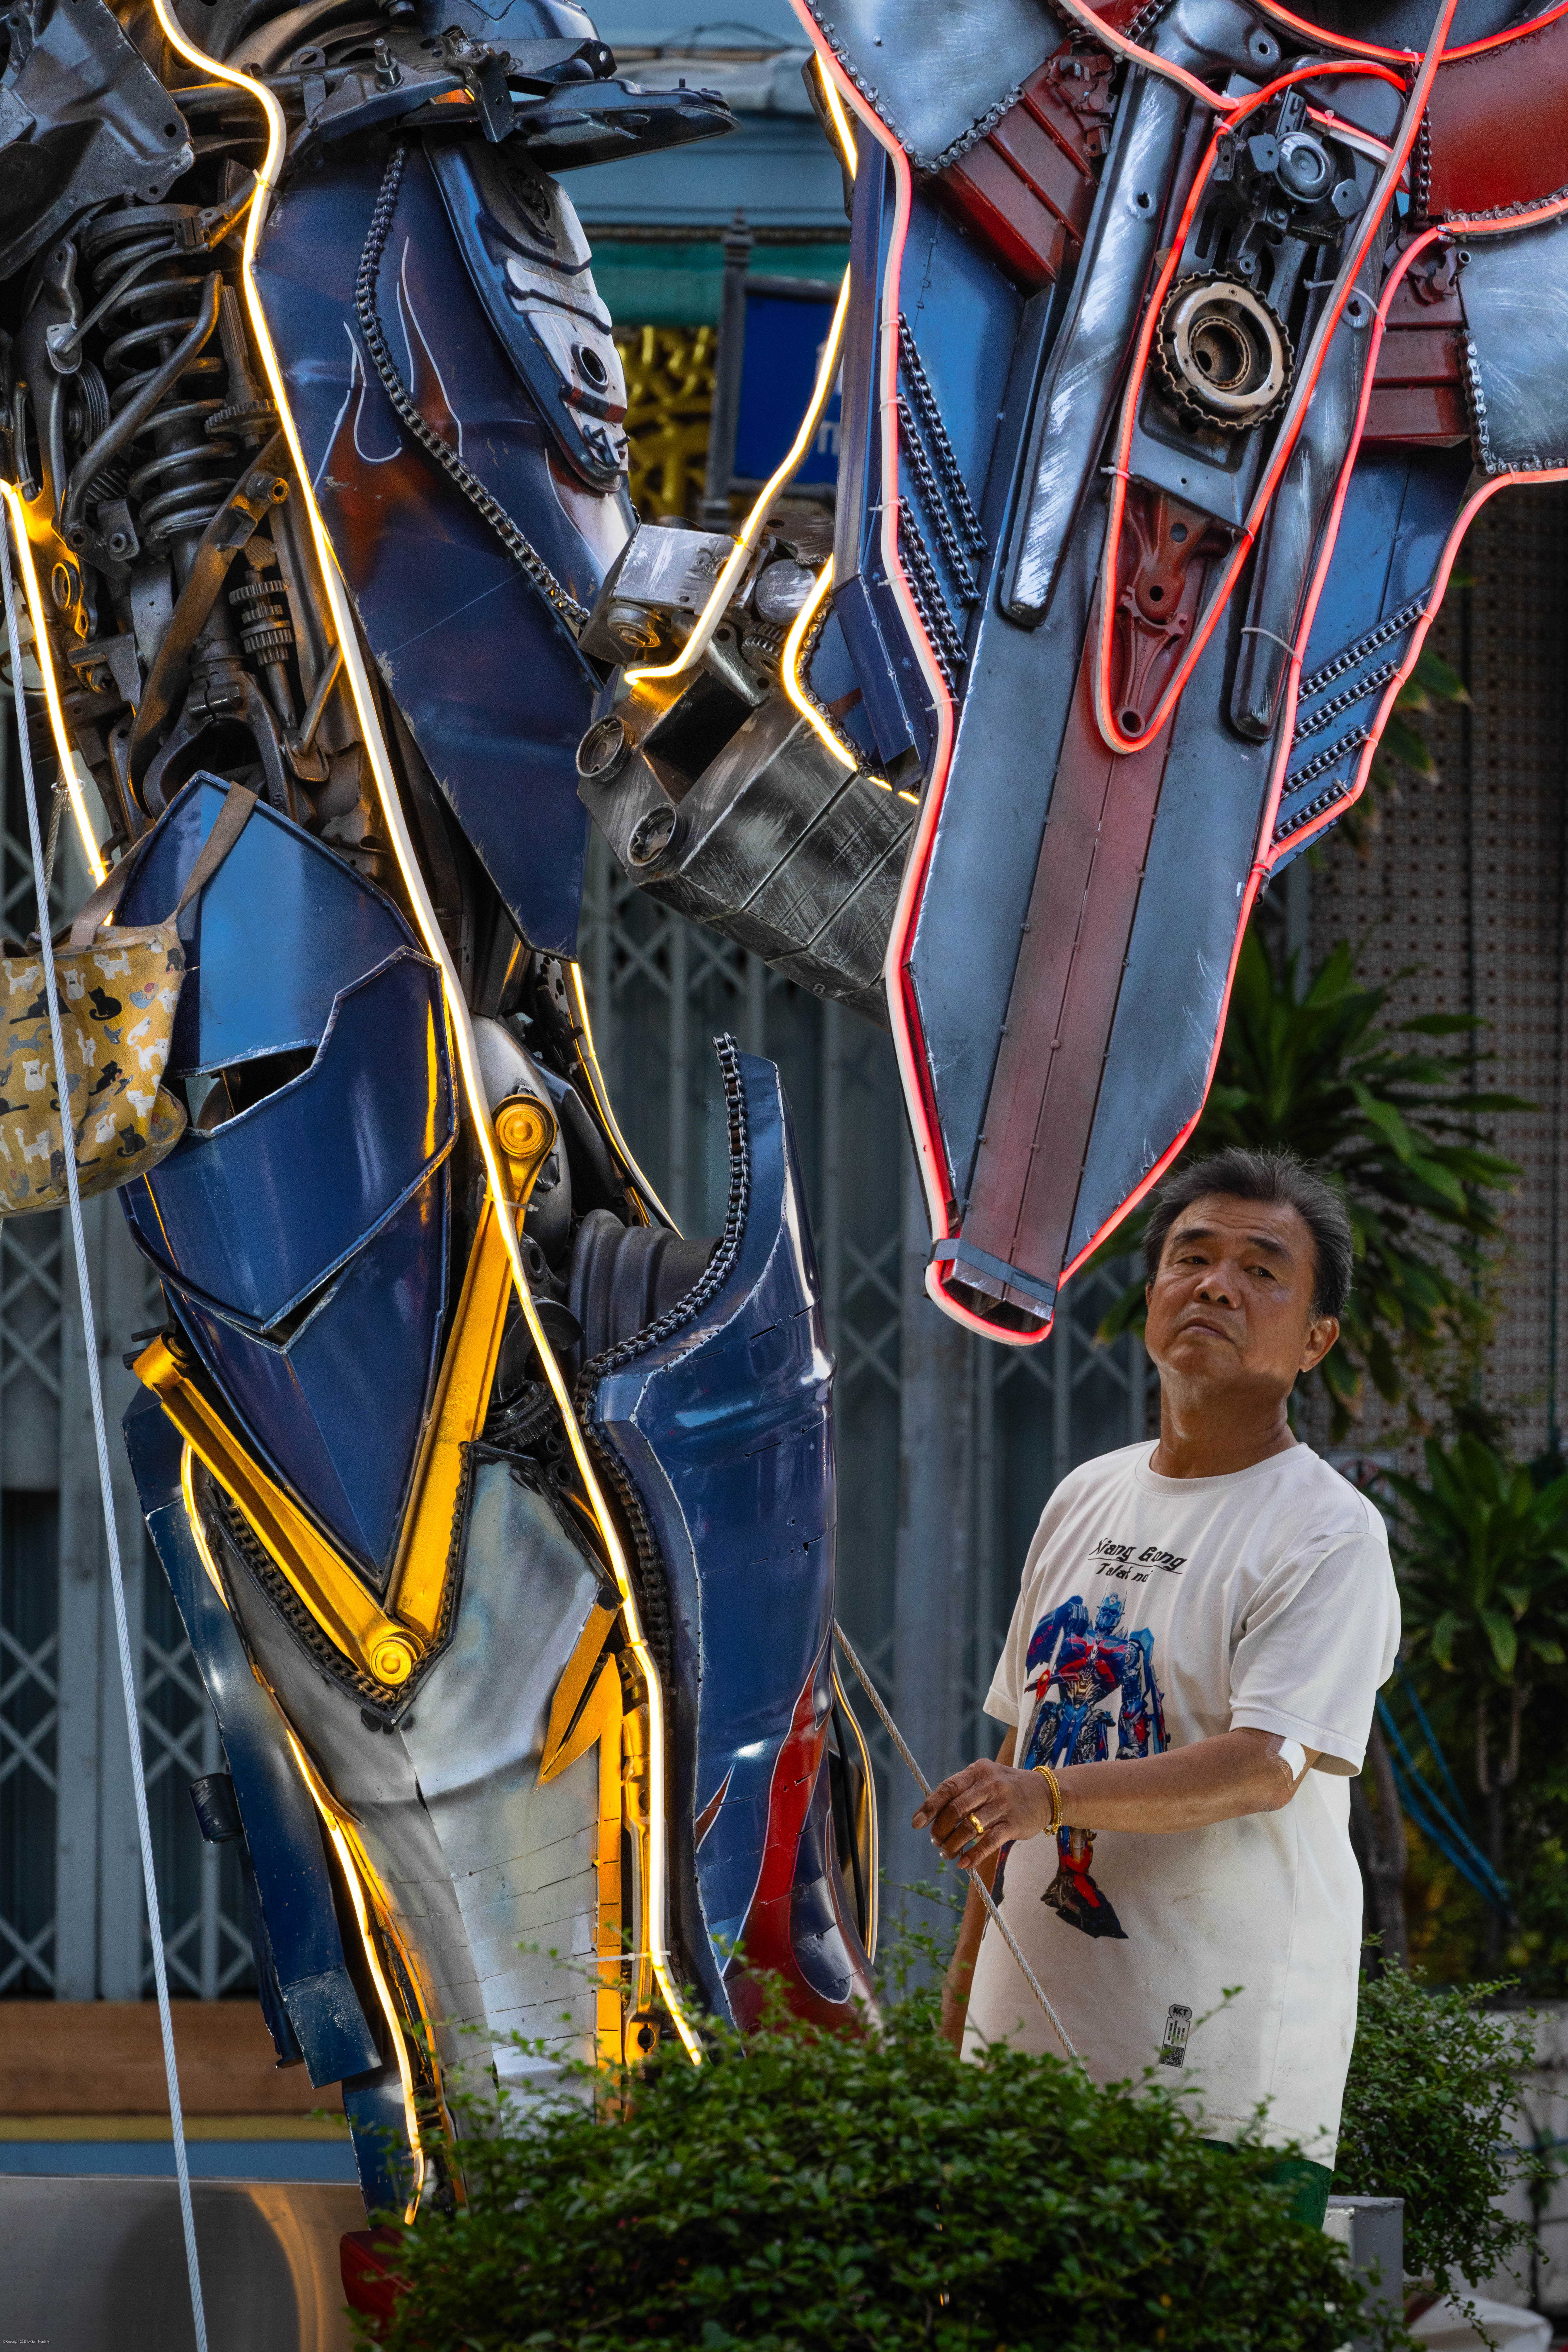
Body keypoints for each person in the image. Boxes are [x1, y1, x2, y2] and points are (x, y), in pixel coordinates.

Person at [916, 1147, 1399, 2225]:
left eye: (1264, 1269)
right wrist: (962, 1987)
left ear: (1316, 1340)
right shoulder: (1085, 1494)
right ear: (1151, 1299)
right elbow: (1019, 1750)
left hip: (1216, 2094)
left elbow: (1265, 1764)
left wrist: (1048, 1799)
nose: (1218, 1284)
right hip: (1019, 2064)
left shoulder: (1329, 1532)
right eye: (1193, 1256)